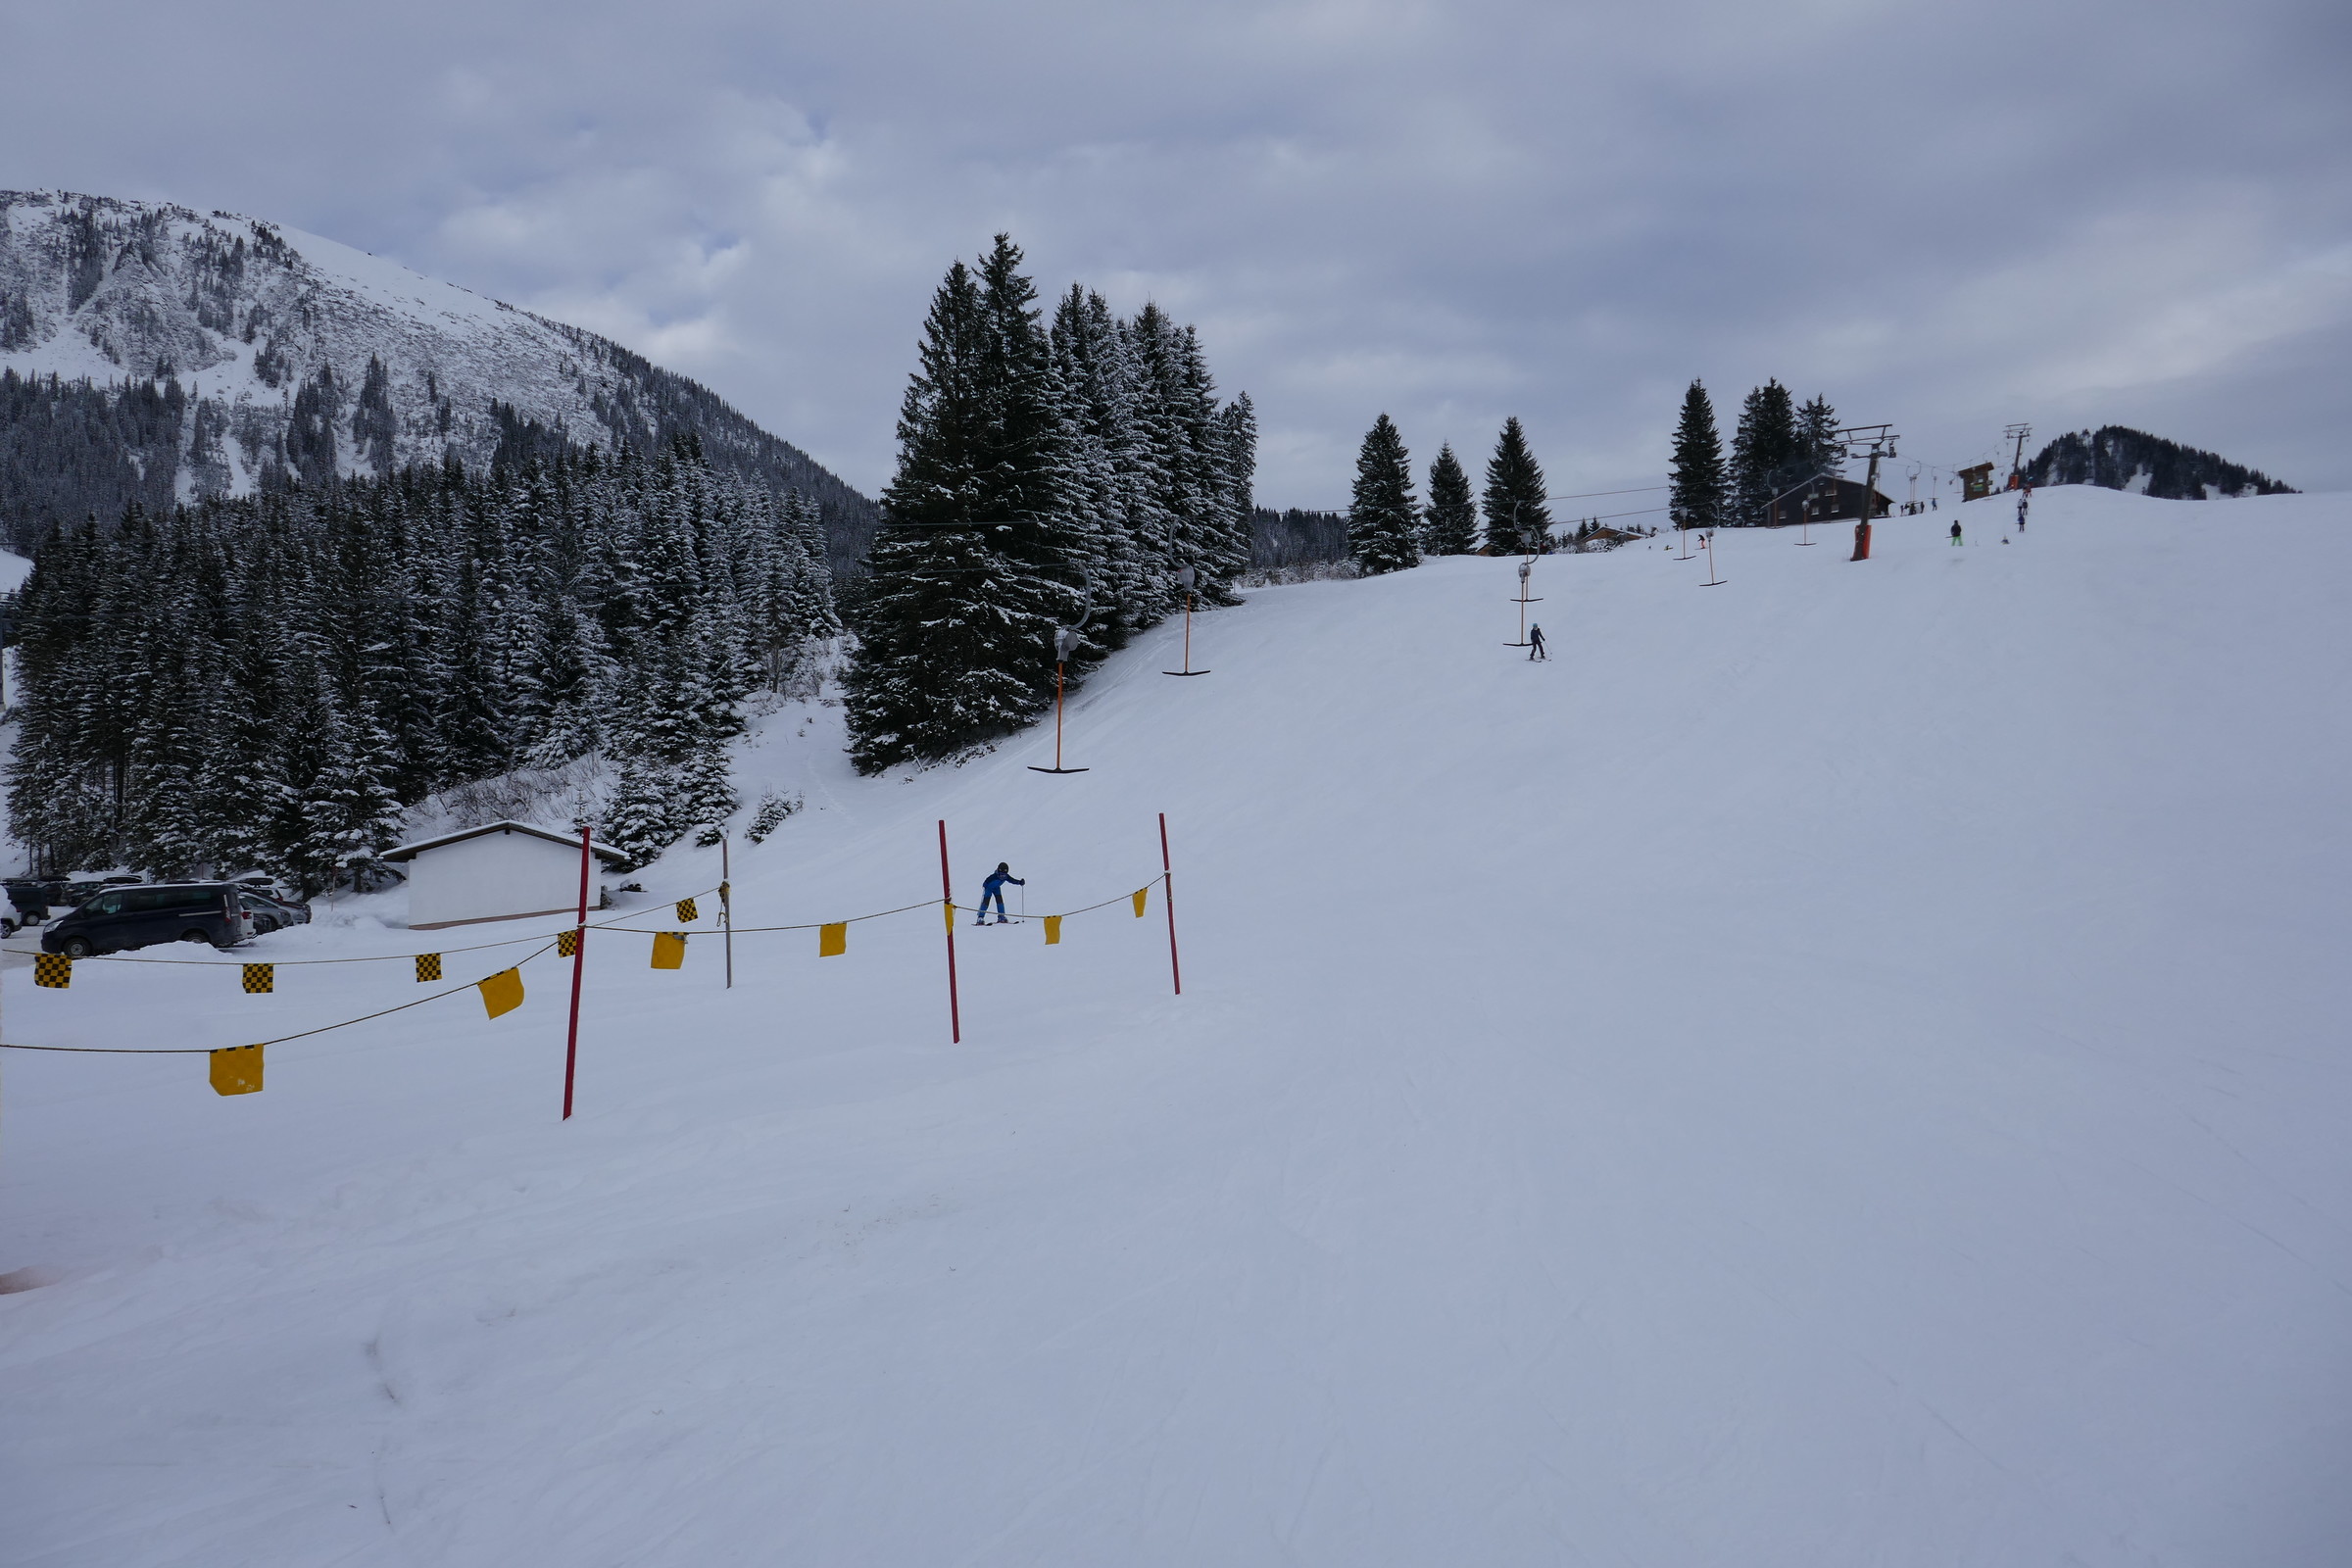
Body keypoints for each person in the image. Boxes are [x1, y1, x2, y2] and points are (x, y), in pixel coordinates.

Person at [977, 861, 1024, 925]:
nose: (1002, 876)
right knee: (986, 902)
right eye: (1001, 874)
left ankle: (1001, 916)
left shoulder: (1006, 877)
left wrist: (1019, 882)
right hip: (989, 888)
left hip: (996, 888)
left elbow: (1012, 880)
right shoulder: (994, 876)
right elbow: (986, 881)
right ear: (998, 872)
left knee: (1000, 902)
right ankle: (980, 918)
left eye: (1004, 875)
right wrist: (985, 885)